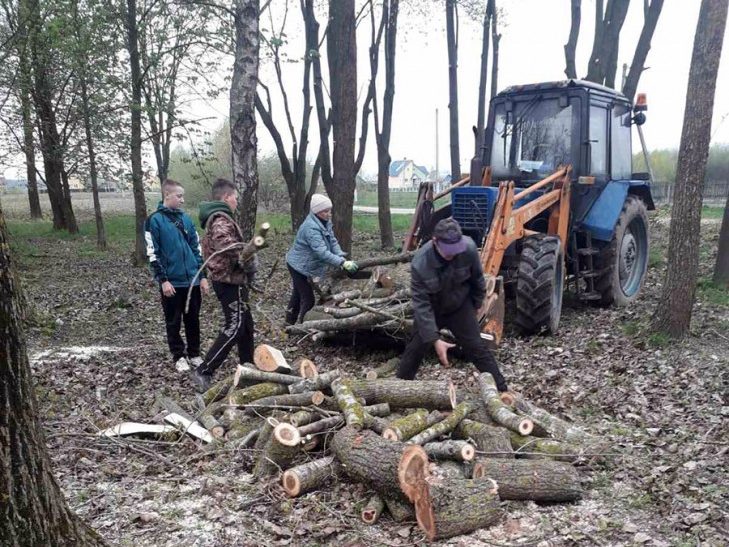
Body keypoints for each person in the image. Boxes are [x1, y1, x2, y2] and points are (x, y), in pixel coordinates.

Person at [397, 218, 509, 392]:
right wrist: (434, 339)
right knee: (416, 348)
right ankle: (399, 390)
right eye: (449, 251)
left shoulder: (468, 248)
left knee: (477, 347)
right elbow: (421, 304)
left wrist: (476, 304)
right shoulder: (421, 263)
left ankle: (502, 390)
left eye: (456, 250)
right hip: (432, 308)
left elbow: (478, 279)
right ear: (435, 242)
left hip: (459, 305)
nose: (453, 255)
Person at [189, 178, 257, 392]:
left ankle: (249, 369)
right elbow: (225, 243)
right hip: (229, 281)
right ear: (226, 197)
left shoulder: (220, 217)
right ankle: (204, 370)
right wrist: (245, 254)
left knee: (246, 326)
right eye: (235, 198)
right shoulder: (220, 219)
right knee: (235, 326)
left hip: (232, 279)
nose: (236, 202)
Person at [144, 179, 209, 372]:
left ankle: (195, 353)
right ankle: (178, 355)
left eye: (183, 196)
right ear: (167, 195)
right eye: (179, 196)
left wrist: (202, 276)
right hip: (172, 282)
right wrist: (163, 280)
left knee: (193, 319)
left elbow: (196, 249)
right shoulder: (154, 220)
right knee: (173, 320)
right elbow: (152, 253)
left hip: (192, 281)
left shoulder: (186, 219)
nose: (182, 200)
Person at [285, 194, 358, 324]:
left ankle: (288, 323)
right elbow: (321, 252)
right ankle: (303, 326)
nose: (329, 214)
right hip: (298, 266)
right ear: (316, 211)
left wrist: (341, 256)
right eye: (325, 211)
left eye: (329, 210)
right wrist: (341, 262)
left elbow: (333, 241)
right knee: (308, 298)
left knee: (297, 295)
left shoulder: (324, 222)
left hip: (304, 265)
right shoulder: (311, 228)